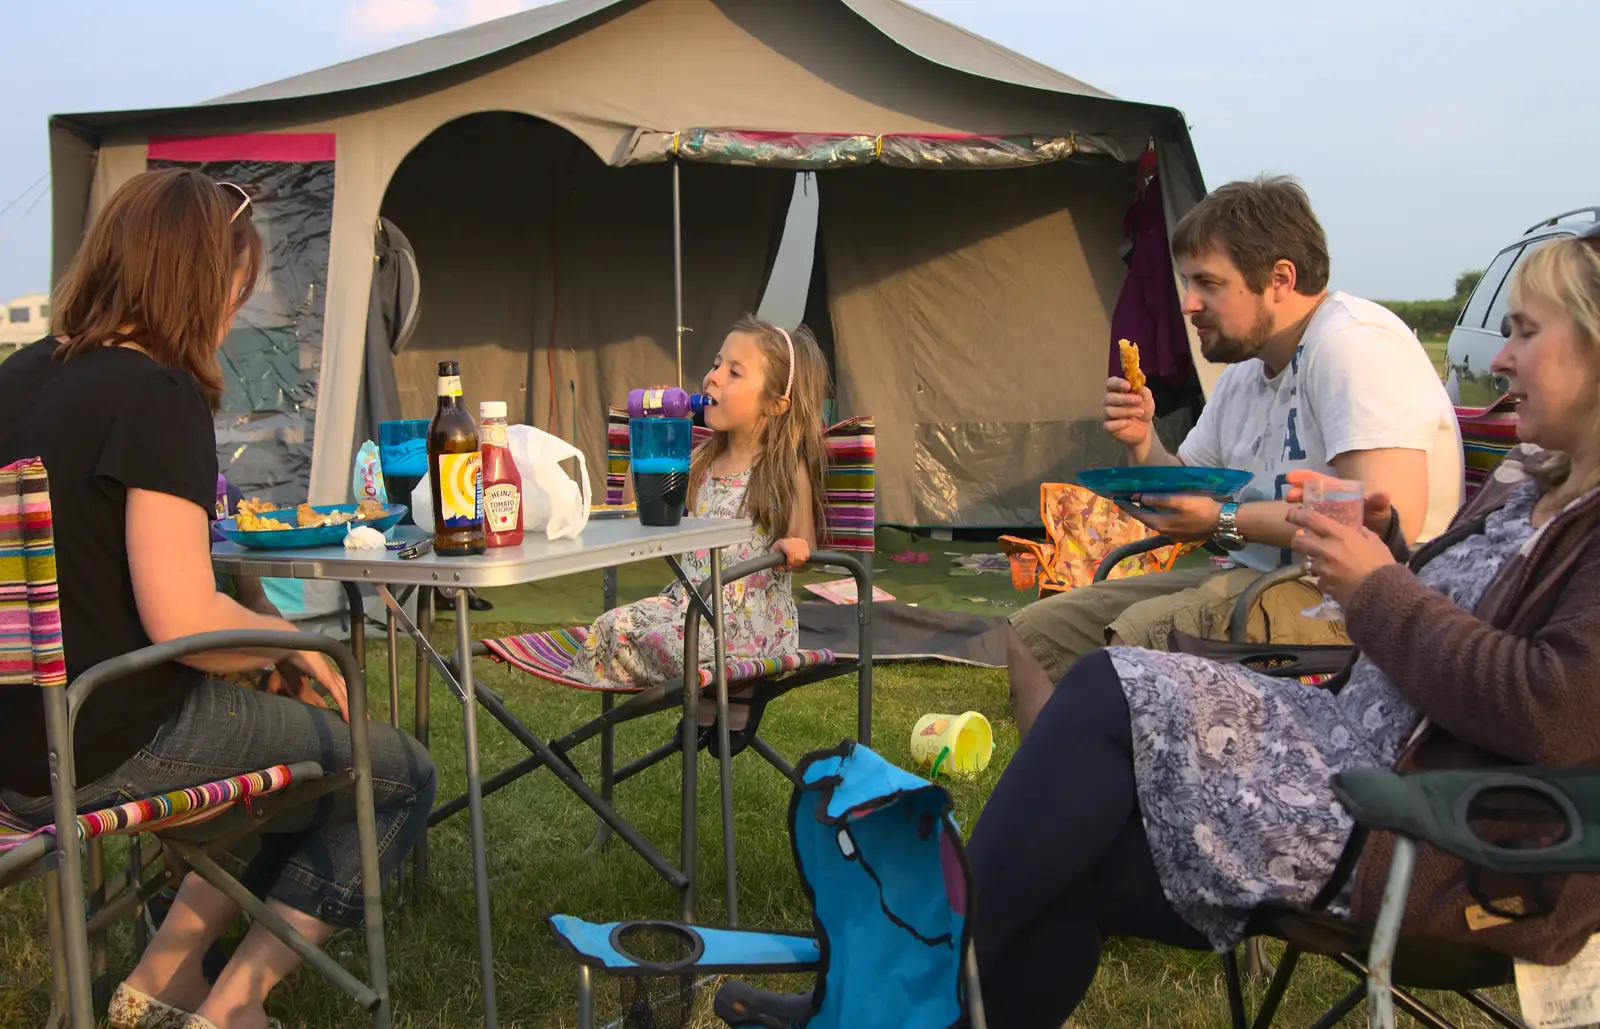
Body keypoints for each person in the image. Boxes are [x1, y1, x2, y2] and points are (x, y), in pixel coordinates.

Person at [966, 234, 1600, 1028]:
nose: (1499, 360)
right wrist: (1393, 548)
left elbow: (1554, 709)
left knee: (1104, 700)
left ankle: (895, 979)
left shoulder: (1358, 350)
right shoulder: (1530, 478)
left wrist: (1376, 585)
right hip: (1345, 754)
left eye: (1525, 331)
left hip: (1429, 832)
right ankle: (915, 994)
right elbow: (1465, 609)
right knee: (1075, 825)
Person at [0, 168, 436, 1029]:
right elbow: (185, 622)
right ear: (200, 277)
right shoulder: (154, 392)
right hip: (98, 740)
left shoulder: (21, 375)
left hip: (13, 739)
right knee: (393, 771)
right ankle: (232, 1008)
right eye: (241, 282)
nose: (241, 305)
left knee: (266, 740)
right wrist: (293, 644)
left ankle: (163, 979)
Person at [1006, 175, 1463, 736]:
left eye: (1208, 284)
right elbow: (1186, 493)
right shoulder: (1245, 374)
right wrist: (1143, 441)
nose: (1189, 303)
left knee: (1122, 654)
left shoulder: (1353, 346)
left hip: (1351, 604)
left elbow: (1386, 520)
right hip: (1258, 579)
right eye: (1186, 282)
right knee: (1036, 634)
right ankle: (1059, 815)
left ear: (1279, 279)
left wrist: (1224, 520)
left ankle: (1132, 812)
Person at [567, 316, 829, 743]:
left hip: (752, 622)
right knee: (612, 624)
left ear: (774, 404)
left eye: (734, 371)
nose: (712, 377)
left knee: (666, 641)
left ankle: (731, 692)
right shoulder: (699, 458)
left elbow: (805, 547)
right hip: (689, 607)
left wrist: (794, 546)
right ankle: (715, 697)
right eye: (715, 363)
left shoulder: (782, 466)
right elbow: (637, 511)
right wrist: (649, 434)